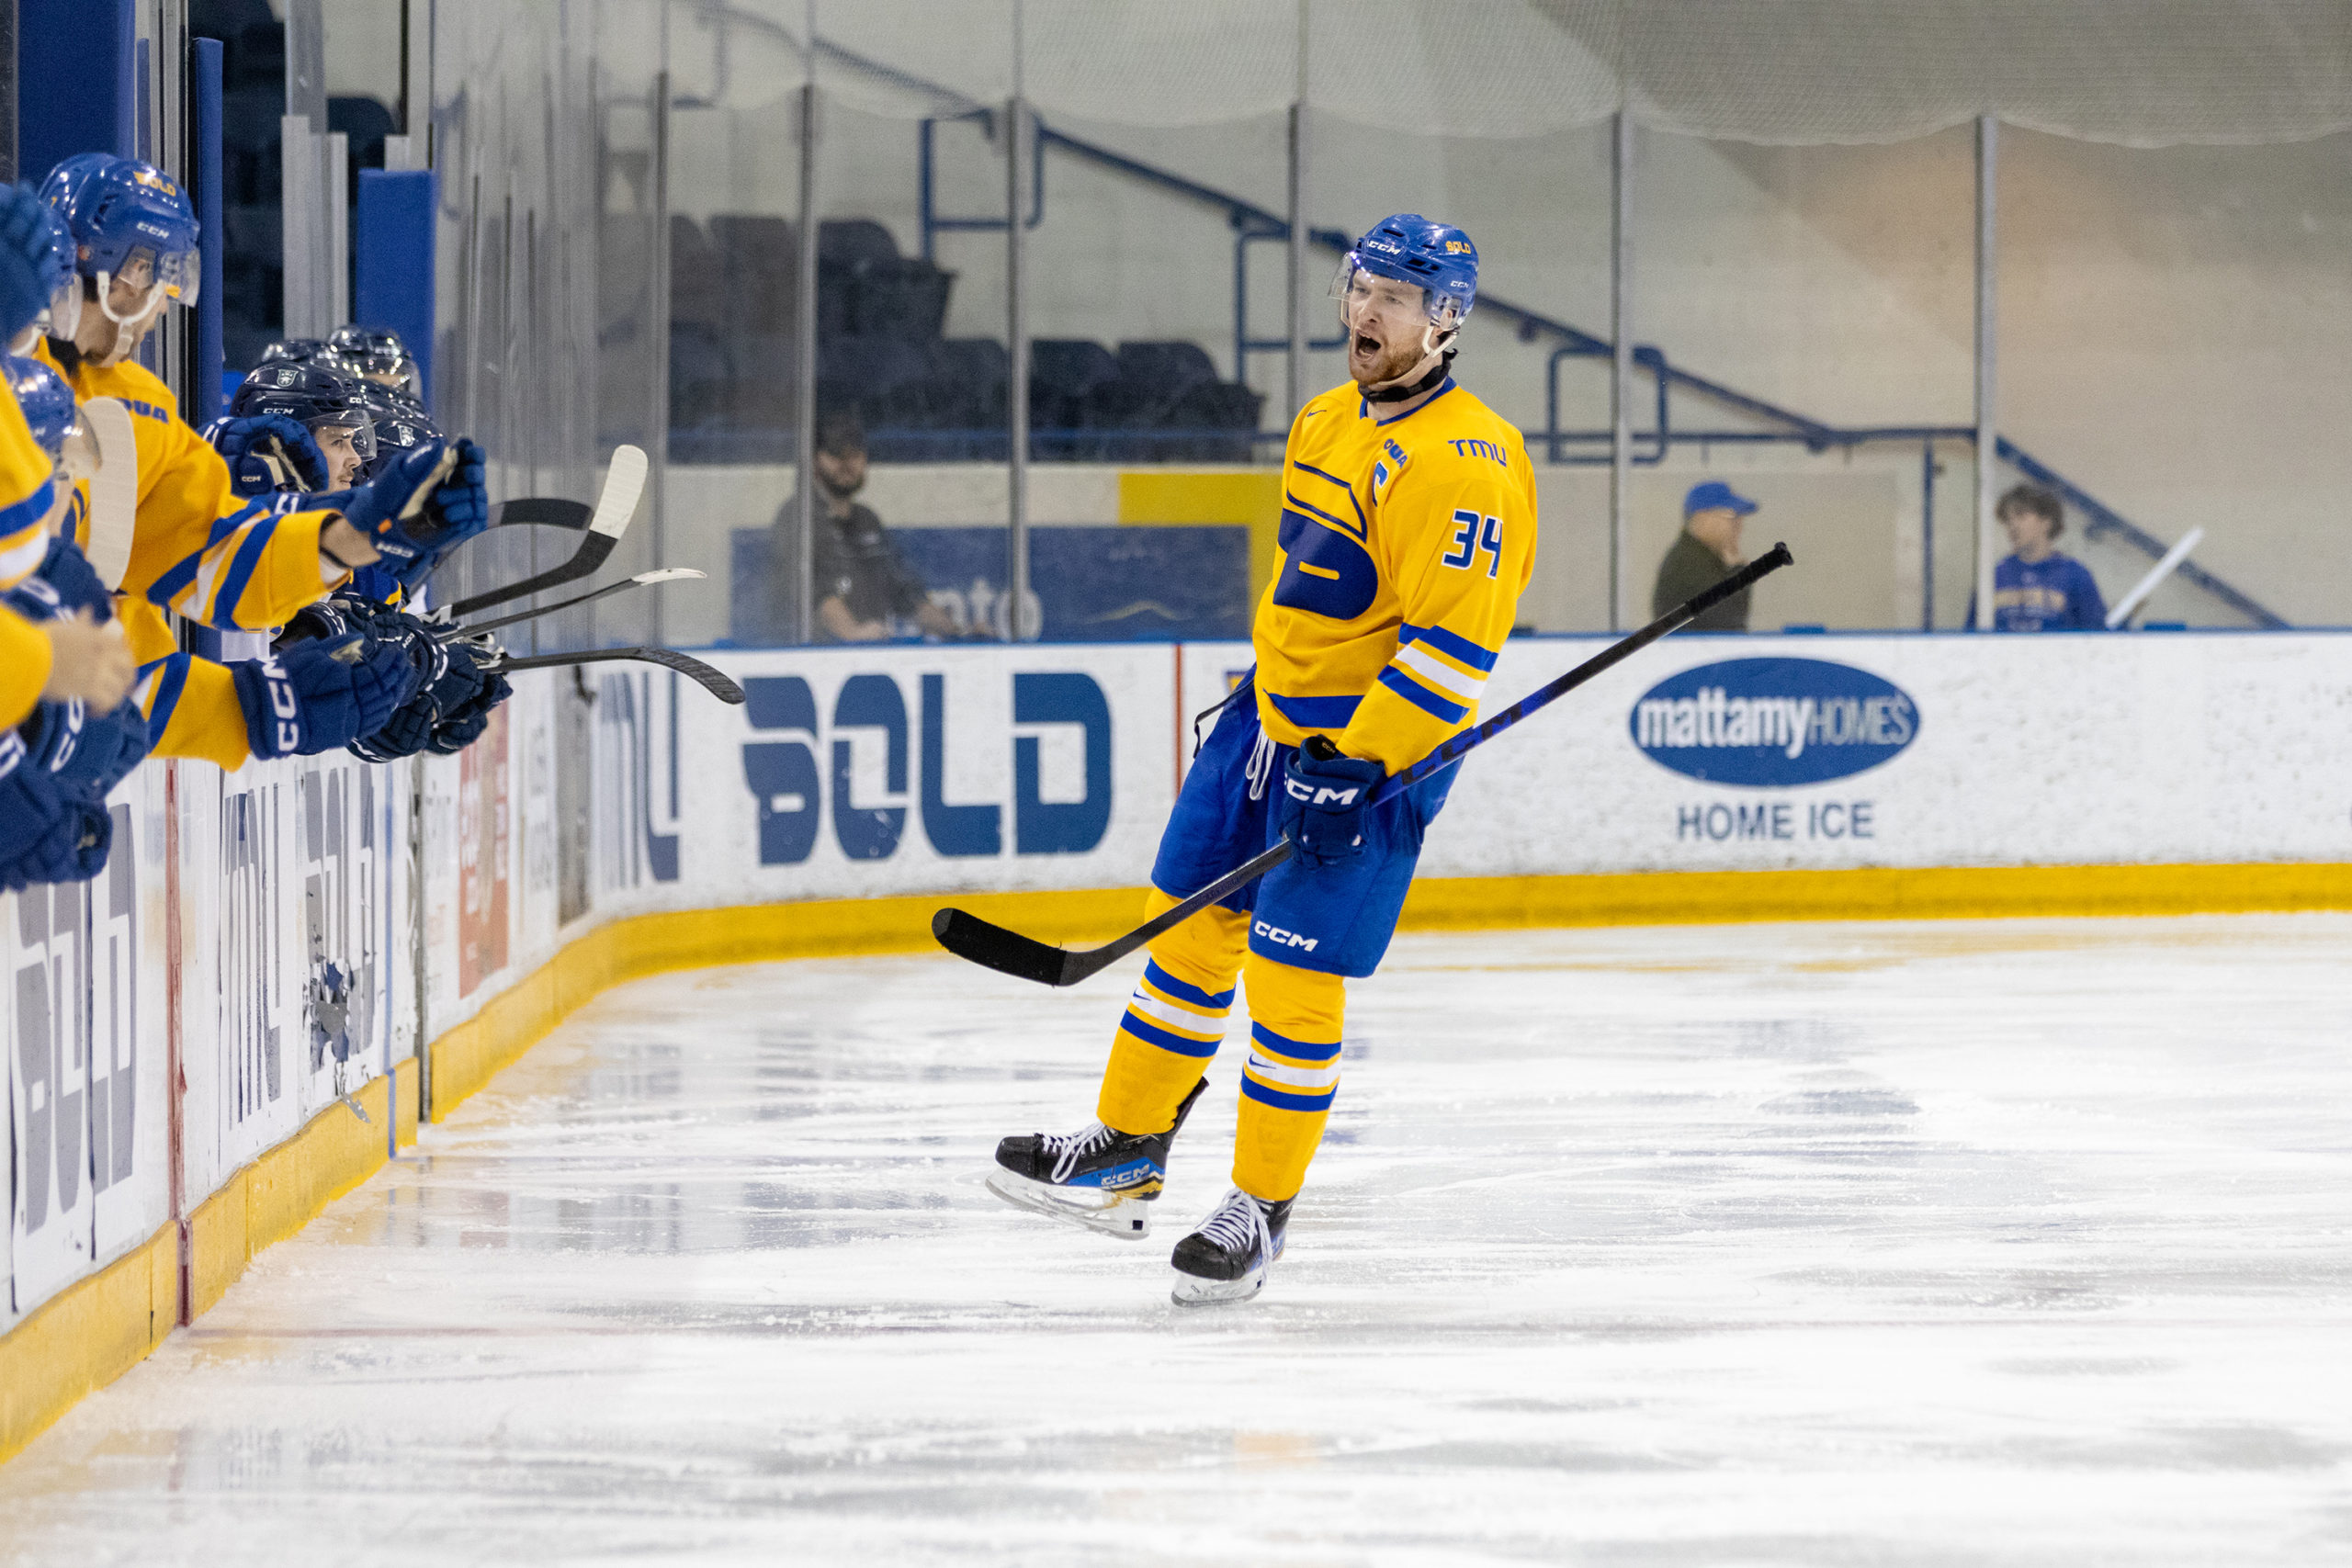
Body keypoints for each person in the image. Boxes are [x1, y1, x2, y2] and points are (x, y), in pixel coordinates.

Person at [988, 213, 1536, 1306]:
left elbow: (1453, 643)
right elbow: (1317, 594)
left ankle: (1258, 1211)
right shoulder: (1326, 420)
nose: (1368, 312)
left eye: (1398, 299)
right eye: (1361, 288)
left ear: (1447, 322)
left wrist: (1361, 760)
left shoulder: (1463, 463)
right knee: (1190, 931)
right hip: (1265, 728)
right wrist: (1266, 691)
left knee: (1293, 981)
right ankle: (1126, 1151)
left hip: (1365, 758)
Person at [797, 410, 962, 642]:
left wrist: (959, 633)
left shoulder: (867, 520)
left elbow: (907, 595)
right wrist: (853, 634)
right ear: (815, 460)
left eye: (854, 454)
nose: (846, 464)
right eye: (835, 454)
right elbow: (819, 594)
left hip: (871, 656)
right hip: (821, 659)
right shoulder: (799, 519)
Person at [1984, 482, 2106, 631]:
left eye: (2020, 516)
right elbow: (1973, 635)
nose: (2012, 525)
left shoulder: (2076, 576)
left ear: (2046, 521)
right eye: (2008, 519)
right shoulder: (1995, 576)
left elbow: (2096, 634)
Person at [1653, 479, 1758, 630]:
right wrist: (1738, 574)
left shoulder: (1701, 558)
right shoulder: (1688, 563)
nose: (1739, 526)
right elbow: (1724, 622)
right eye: (1731, 517)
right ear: (1703, 518)